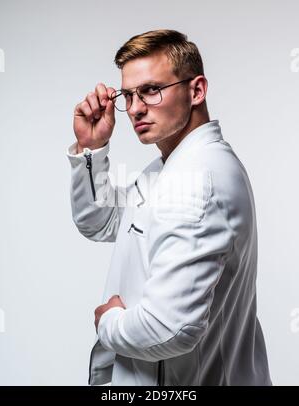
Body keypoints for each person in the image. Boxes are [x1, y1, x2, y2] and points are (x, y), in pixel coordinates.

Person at [67, 29, 272, 386]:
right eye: (128, 95)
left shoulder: (196, 180)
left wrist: (108, 322)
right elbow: (100, 220)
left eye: (150, 90)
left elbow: (170, 327)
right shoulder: (168, 169)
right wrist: (92, 148)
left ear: (196, 90)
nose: (134, 109)